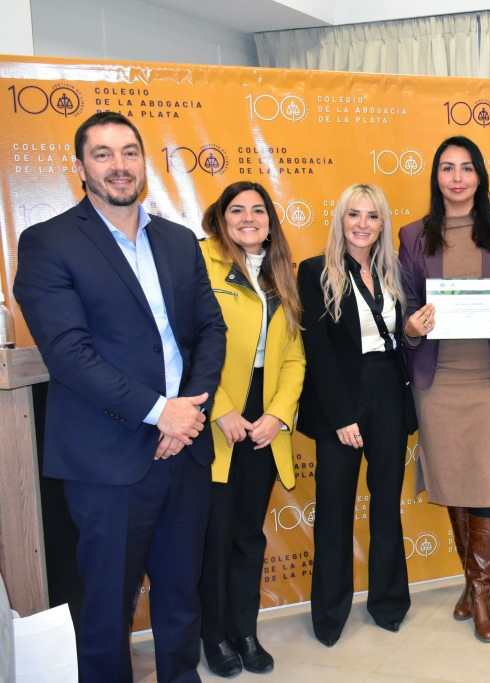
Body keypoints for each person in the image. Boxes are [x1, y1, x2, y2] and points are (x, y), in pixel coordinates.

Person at [13, 111, 226, 682]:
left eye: (129, 152)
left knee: (182, 596)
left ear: (143, 164)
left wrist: (187, 414)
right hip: (106, 457)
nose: (119, 165)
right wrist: (163, 414)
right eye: (103, 154)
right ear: (79, 167)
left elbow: (211, 331)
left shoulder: (180, 242)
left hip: (185, 449)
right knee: (107, 609)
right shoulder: (48, 243)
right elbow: (70, 355)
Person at [399, 136, 490, 642]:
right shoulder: (413, 236)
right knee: (456, 475)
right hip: (440, 379)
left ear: (480, 175)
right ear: (436, 178)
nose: (457, 177)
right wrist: (411, 327)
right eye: (446, 168)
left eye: (466, 168)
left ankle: (480, 593)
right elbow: (407, 304)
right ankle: (473, 582)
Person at [297, 184, 417, 646]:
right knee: (334, 511)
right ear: (340, 220)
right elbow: (319, 352)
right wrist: (341, 416)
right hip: (340, 400)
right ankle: (329, 616)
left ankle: (388, 603)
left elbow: (401, 338)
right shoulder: (315, 271)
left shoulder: (394, 272)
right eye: (353, 215)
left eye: (371, 216)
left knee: (387, 504)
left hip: (388, 390)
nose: (362, 224)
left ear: (383, 223)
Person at [197, 181, 305, 676]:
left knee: (247, 534)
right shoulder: (200, 263)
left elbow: (295, 358)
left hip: (265, 414)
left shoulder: (283, 273)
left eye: (257, 210)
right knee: (214, 534)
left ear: (270, 220)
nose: (247, 218)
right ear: (220, 218)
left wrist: (278, 415)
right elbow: (186, 344)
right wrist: (221, 410)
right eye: (236, 210)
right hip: (212, 410)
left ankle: (245, 631)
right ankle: (214, 637)